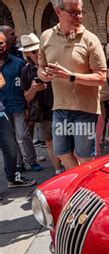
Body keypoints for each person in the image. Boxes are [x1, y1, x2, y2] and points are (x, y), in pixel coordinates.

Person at [38, 0, 107, 171]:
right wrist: (43, 75)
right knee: (60, 152)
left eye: (80, 12)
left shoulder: (91, 39)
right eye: (73, 12)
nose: (79, 17)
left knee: (84, 157)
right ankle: (81, 182)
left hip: (85, 109)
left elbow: (101, 77)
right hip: (60, 107)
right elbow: (40, 67)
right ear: (58, 12)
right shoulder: (46, 37)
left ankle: (83, 188)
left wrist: (70, 76)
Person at [19, 33, 63, 175]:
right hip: (43, 112)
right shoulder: (26, 71)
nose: (37, 53)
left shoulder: (53, 62)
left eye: (39, 49)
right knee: (49, 141)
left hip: (61, 106)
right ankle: (58, 170)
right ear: (27, 53)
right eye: (33, 51)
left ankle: (69, 168)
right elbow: (27, 97)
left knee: (66, 140)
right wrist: (34, 89)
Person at [0, 31, 42, 173]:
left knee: (24, 135)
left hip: (18, 104)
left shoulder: (18, 63)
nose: (0, 46)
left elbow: (25, 83)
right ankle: (19, 163)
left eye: (2, 43)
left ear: (6, 44)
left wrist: (27, 106)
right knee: (11, 139)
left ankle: (32, 160)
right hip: (2, 108)